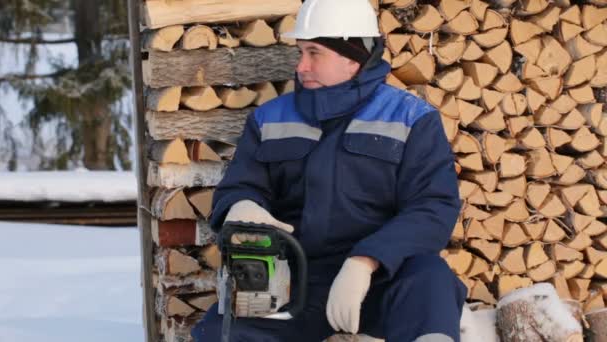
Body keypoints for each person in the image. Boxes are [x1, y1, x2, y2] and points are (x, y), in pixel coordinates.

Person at [191, 0, 466, 340]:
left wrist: (365, 261)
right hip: (290, 278)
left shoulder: (411, 118)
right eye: (300, 51)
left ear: (353, 57)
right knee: (221, 331)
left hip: (379, 279)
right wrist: (241, 206)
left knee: (431, 278)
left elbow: (433, 207)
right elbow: (242, 185)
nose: (301, 65)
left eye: (314, 52)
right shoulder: (269, 118)